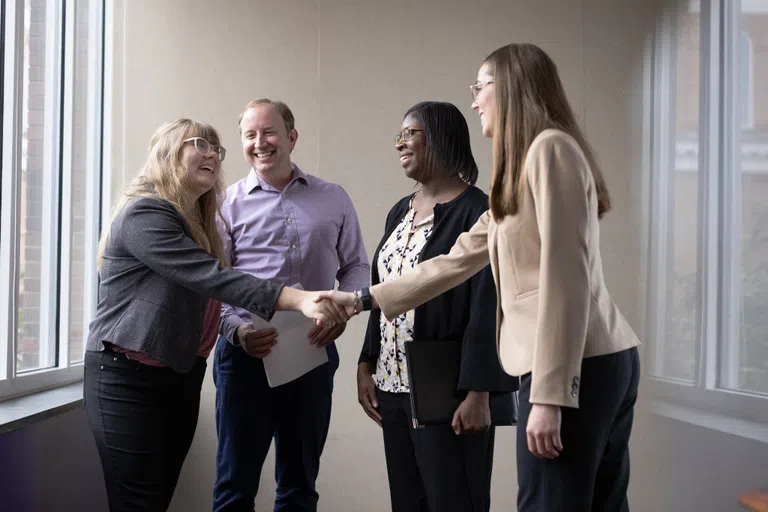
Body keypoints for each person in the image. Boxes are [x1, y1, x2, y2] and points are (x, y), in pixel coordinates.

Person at [320, 43, 641, 512]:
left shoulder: (550, 150)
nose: (474, 102)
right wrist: (362, 300)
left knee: (550, 502)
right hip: (583, 362)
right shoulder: (520, 171)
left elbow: (565, 279)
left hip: (574, 364)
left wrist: (551, 396)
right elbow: (456, 260)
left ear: (509, 87)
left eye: (481, 87)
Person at [83, 118, 344, 512]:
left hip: (178, 377)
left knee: (158, 498)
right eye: (200, 145)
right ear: (169, 152)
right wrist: (298, 300)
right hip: (126, 378)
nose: (212, 155)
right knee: (140, 503)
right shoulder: (146, 212)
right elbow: (214, 279)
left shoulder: (196, 221)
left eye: (216, 149)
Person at [358, 101, 518, 512]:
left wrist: (479, 391)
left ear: (442, 138)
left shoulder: (479, 210)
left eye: (410, 133)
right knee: (408, 503)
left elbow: (489, 309)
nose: (400, 144)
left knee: (454, 501)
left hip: (450, 393)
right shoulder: (400, 210)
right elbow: (386, 288)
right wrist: (366, 361)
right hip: (393, 387)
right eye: (399, 136)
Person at [212, 99, 369, 512]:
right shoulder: (224, 206)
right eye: (250, 135)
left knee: (300, 485)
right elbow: (214, 286)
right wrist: (238, 331)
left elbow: (356, 266)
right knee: (234, 486)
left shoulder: (333, 197)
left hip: (313, 351)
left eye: (269, 132)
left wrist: (345, 312)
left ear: (292, 137)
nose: (259, 143)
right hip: (244, 357)